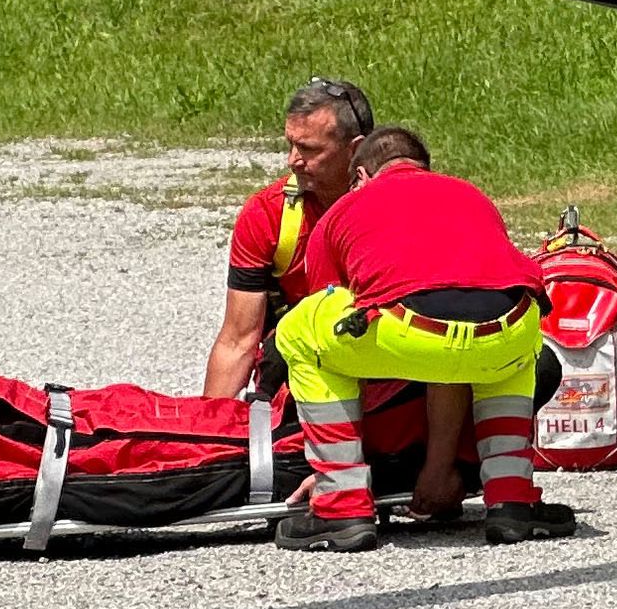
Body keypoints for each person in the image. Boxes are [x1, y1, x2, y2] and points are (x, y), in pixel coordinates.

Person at [270, 128, 574, 554]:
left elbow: (329, 299)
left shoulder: (349, 205)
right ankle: (512, 502)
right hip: (511, 327)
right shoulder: (470, 194)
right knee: (512, 360)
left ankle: (341, 506)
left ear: (360, 175)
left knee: (301, 333)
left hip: (407, 329)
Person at [203, 75, 375, 396]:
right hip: (301, 372)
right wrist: (209, 429)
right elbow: (238, 340)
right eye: (290, 144)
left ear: (355, 150)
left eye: (308, 149)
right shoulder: (267, 214)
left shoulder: (396, 207)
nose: (292, 160)